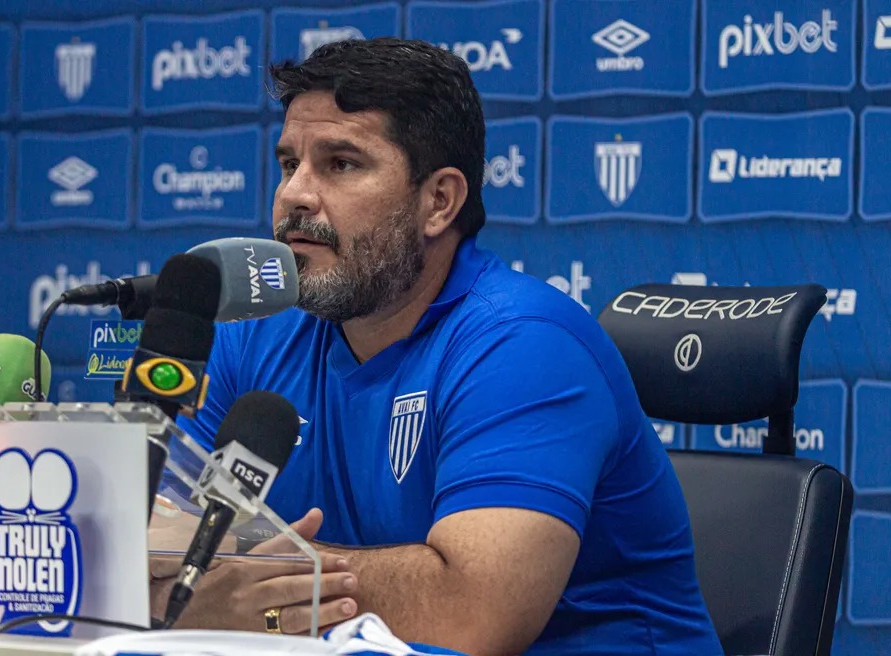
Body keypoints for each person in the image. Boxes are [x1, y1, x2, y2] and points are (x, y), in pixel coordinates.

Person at [163, 37, 722, 656]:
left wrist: (251, 579)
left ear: (439, 201)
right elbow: (153, 554)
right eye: (289, 163)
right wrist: (202, 576)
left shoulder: (523, 344)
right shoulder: (254, 333)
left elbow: (473, 613)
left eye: (341, 164)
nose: (295, 194)